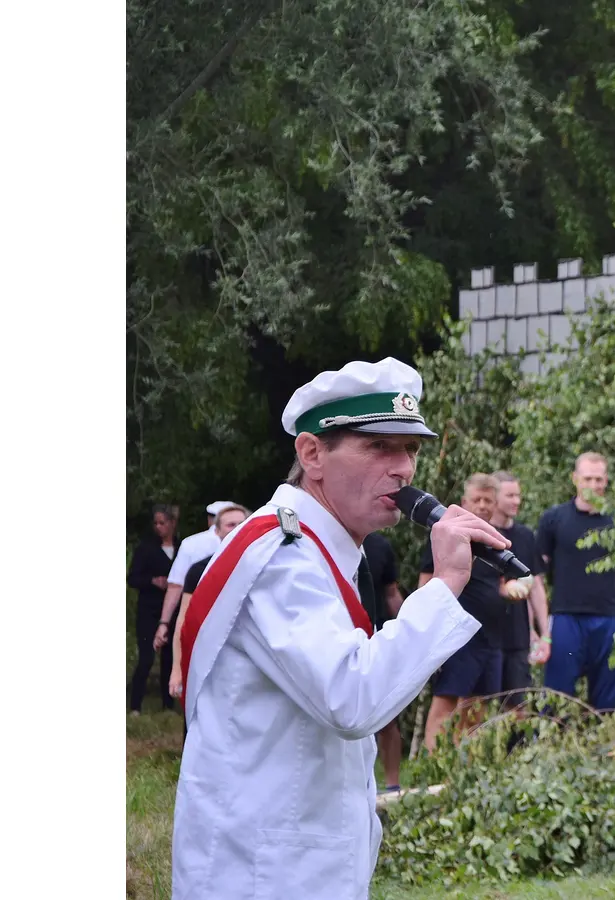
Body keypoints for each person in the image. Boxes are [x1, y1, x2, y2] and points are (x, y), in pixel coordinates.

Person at [171, 357, 506, 900]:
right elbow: (353, 697)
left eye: (411, 449)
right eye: (378, 447)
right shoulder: (282, 557)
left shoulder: (319, 549)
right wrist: (445, 583)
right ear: (311, 454)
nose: (403, 469)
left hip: (294, 863)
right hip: (261, 875)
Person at [532, 452, 615, 712]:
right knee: (557, 699)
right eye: (588, 478)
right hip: (565, 618)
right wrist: (542, 630)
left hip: (607, 620)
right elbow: (536, 576)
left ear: (606, 481)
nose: (593, 485)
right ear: (575, 479)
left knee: (608, 702)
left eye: (598, 479)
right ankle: (553, 737)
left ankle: (604, 739)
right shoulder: (554, 519)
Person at [419, 473, 512, 750]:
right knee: (445, 704)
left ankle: (463, 767)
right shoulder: (445, 536)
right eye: (477, 499)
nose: (482, 505)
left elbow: (500, 585)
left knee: (477, 709)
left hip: (491, 637)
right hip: (458, 636)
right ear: (464, 502)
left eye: (488, 500)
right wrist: (429, 630)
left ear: (495, 504)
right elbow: (426, 584)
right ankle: (433, 766)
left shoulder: (497, 541)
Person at [168, 505, 251, 703]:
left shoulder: (261, 568)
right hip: (208, 659)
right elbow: (183, 621)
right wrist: (177, 668)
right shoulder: (200, 571)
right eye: (230, 525)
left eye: (241, 524)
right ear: (217, 531)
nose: (236, 529)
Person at [153, 500, 245, 654]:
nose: (235, 529)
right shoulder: (259, 548)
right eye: (231, 524)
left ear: (209, 520)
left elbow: (175, 586)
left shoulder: (191, 543)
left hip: (200, 624)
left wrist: (164, 622)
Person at [489, 470, 541, 713]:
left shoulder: (526, 536)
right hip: (485, 635)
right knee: (480, 705)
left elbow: (535, 586)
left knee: (519, 704)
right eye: (510, 495)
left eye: (518, 495)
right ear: (495, 497)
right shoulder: (481, 535)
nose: (516, 501)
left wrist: (542, 633)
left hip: (517, 636)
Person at [361, 530, 407, 791]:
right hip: (340, 634)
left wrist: (410, 636)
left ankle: (392, 785)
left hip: (377, 635)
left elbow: (391, 594)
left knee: (388, 713)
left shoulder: (379, 545)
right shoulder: (320, 539)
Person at [127, 505, 179, 714]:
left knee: (169, 657)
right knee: (146, 657)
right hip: (148, 609)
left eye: (162, 523)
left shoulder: (182, 548)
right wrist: (152, 581)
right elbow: (132, 578)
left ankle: (168, 704)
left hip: (173, 610)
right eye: (155, 523)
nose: (158, 527)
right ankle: (135, 706)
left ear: (172, 523)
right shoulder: (146, 548)